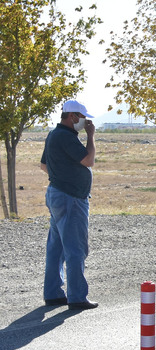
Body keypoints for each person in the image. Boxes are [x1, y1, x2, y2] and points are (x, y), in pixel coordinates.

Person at [40, 99, 98, 310]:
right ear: (73, 116)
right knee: (75, 248)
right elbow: (88, 160)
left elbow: (44, 165)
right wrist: (91, 137)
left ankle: (53, 293)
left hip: (57, 194)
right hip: (71, 198)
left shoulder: (53, 135)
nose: (86, 122)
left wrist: (62, 175)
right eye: (83, 118)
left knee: (56, 247)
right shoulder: (66, 136)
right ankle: (77, 297)